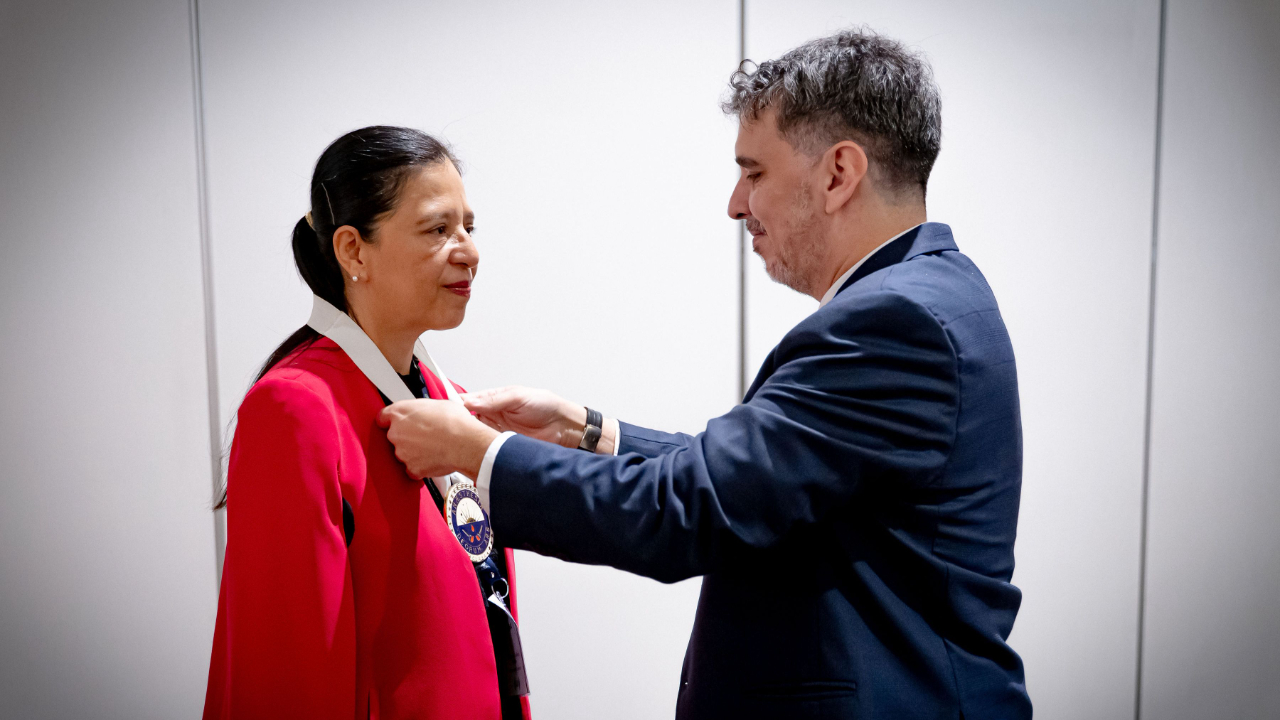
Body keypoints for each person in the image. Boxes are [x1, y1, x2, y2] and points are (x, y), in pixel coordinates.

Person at [380, 29, 1031, 719]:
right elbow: (764, 479)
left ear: (839, 173)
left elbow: (690, 509)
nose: (736, 203)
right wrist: (586, 430)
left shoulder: (894, 323)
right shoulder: (934, 294)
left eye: (755, 173)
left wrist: (480, 455)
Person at [203, 126, 530, 720]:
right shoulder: (295, 411)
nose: (468, 251)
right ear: (354, 251)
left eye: (468, 227)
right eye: (437, 229)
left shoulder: (450, 402)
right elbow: (287, 666)